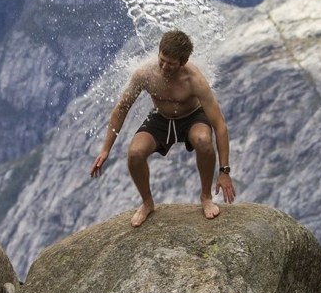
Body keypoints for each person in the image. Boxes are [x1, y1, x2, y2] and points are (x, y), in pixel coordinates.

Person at [90, 29, 236, 227]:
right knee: (135, 153)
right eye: (162, 60)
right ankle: (147, 203)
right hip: (161, 117)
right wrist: (106, 149)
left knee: (203, 140)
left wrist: (224, 171)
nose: (165, 67)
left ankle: (206, 197)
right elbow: (121, 109)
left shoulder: (195, 80)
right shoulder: (144, 74)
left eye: (171, 64)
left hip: (192, 117)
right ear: (158, 53)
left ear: (183, 62)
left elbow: (220, 125)